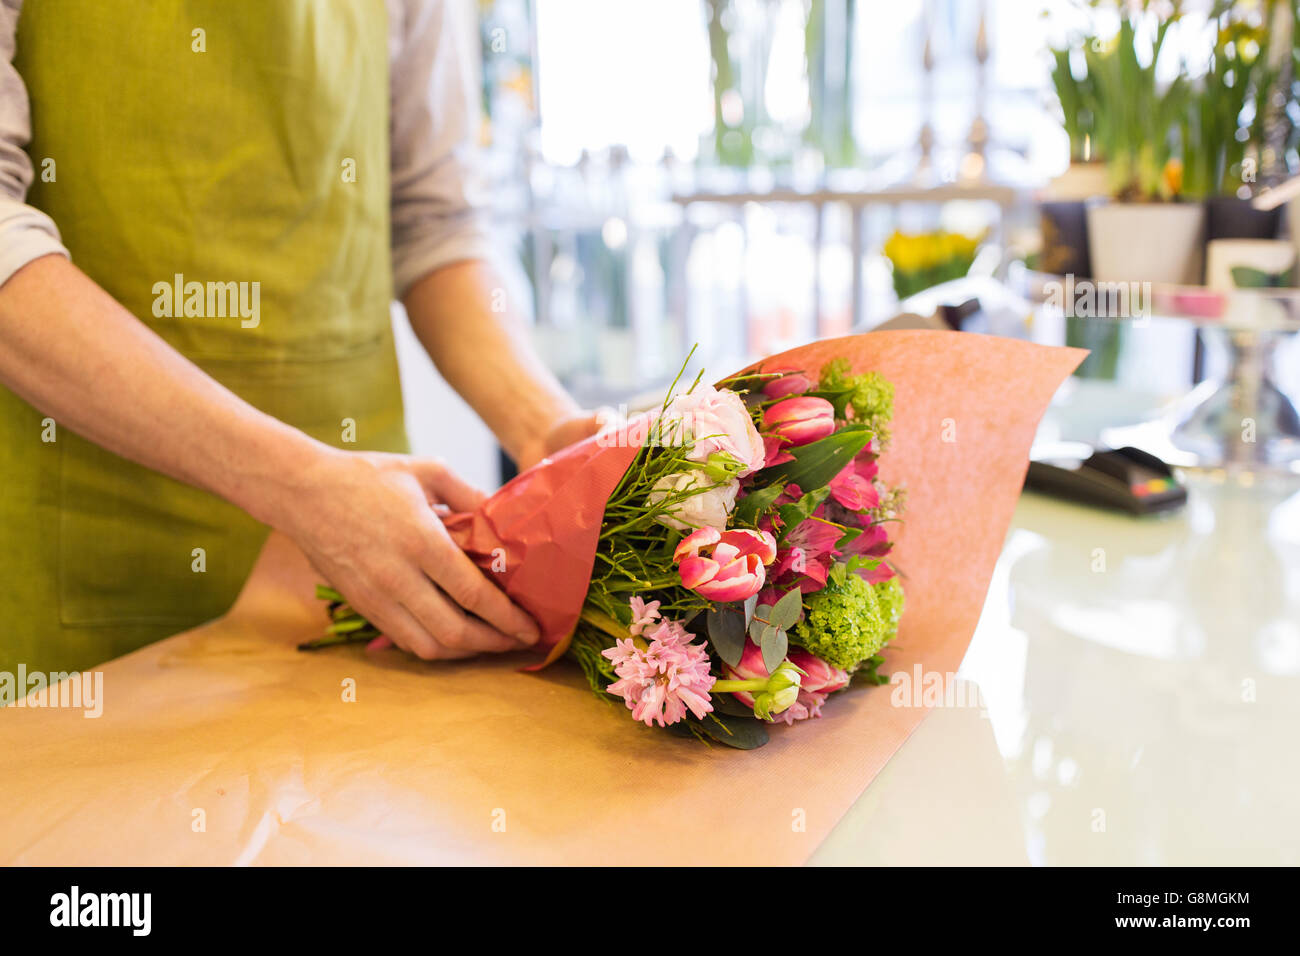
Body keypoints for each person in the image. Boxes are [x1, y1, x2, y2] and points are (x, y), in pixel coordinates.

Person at [0, 0, 596, 674]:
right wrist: (302, 487)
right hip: (95, 545)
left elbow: (434, 219)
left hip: (379, 561)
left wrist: (541, 430)